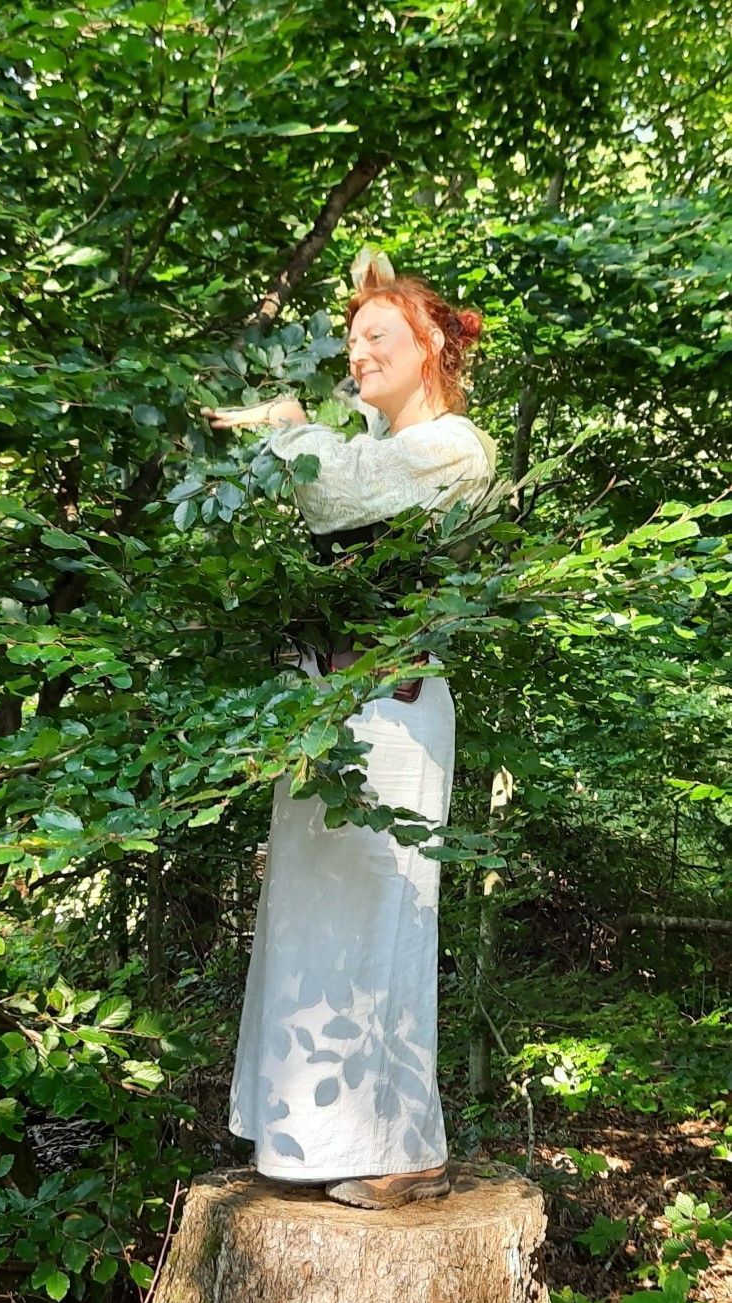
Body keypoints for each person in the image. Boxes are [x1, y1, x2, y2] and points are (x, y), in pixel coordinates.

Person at [201, 271, 497, 1210]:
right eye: (352, 339)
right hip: (323, 710)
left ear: (431, 350)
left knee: (384, 920)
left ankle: (407, 1148)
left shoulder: (454, 448)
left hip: (395, 708)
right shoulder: (371, 442)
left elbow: (341, 495)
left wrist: (292, 426)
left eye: (377, 338)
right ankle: (311, 1140)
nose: (357, 354)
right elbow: (326, 493)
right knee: (308, 917)